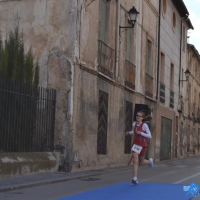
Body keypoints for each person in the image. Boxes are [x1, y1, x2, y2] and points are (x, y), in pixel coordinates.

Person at [126, 111, 153, 185]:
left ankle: (150, 162)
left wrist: (141, 133)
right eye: (137, 115)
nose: (137, 117)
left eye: (139, 116)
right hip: (135, 145)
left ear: (142, 118)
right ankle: (135, 178)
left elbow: (150, 136)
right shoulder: (134, 124)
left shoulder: (144, 125)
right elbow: (134, 131)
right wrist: (129, 133)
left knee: (141, 162)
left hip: (143, 145)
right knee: (135, 161)